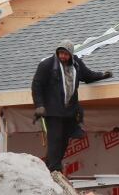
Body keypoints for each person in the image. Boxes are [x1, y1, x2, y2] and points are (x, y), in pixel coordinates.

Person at [31, 40, 112, 172]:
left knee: (64, 140)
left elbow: (88, 75)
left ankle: (52, 166)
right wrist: (39, 105)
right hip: (53, 111)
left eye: (65, 54)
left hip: (69, 111)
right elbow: (37, 85)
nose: (62, 56)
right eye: (60, 53)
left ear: (71, 54)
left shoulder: (77, 64)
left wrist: (102, 75)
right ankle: (54, 169)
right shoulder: (47, 65)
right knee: (55, 139)